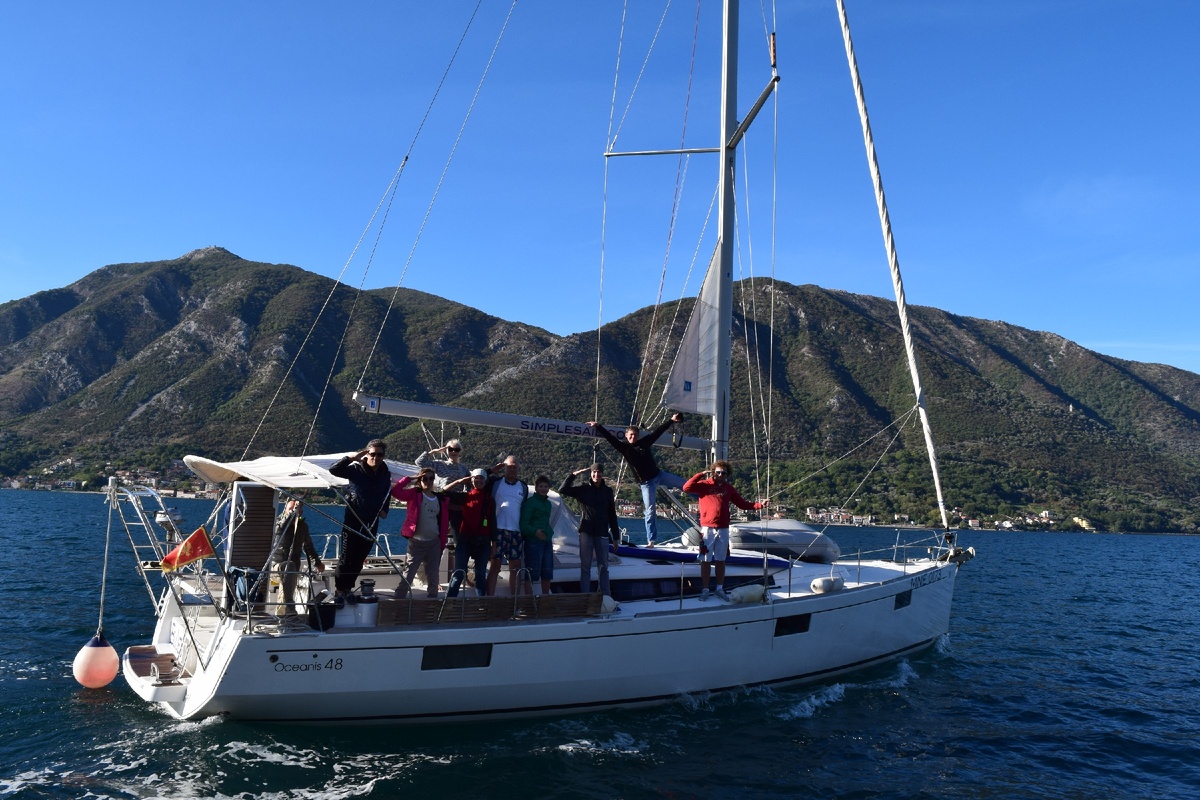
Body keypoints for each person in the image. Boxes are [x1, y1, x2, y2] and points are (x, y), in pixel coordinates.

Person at [587, 411, 683, 547]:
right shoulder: (624, 448)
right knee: (650, 511)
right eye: (630, 435)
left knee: (686, 485)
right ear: (626, 436)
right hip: (646, 483)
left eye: (635, 435)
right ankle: (651, 540)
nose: (633, 437)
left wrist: (671, 421)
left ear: (638, 436)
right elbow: (610, 438)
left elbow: (658, 432)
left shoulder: (645, 442)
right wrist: (598, 426)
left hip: (659, 475)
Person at [682, 461, 767, 601]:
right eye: (718, 472)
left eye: (724, 473)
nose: (720, 475)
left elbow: (742, 503)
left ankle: (719, 589)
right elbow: (686, 487)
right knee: (705, 559)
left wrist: (759, 505)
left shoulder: (729, 488)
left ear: (727, 475)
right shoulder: (704, 485)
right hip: (707, 529)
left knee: (721, 560)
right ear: (713, 472)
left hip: (723, 529)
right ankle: (705, 589)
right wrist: (701, 474)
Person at [329, 439, 392, 597]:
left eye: (379, 454)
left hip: (371, 522)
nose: (375, 457)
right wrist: (351, 458)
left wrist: (384, 509)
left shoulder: (385, 474)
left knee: (360, 558)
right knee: (346, 557)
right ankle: (339, 590)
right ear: (366, 454)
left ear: (384, 456)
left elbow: (387, 492)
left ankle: (348, 588)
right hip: (353, 519)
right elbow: (334, 470)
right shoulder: (355, 469)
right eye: (372, 454)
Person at [559, 463, 621, 598]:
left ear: (602, 474)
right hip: (586, 532)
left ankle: (606, 597)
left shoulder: (608, 492)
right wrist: (574, 474)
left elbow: (612, 515)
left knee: (603, 568)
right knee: (585, 567)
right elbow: (562, 489)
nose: (596, 475)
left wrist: (616, 537)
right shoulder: (583, 489)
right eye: (594, 472)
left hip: (603, 533)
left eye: (599, 472)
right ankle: (584, 598)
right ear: (590, 474)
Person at [390, 468, 452, 599]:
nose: (428, 481)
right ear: (420, 480)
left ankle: (432, 604)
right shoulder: (414, 494)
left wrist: (442, 542)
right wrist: (409, 479)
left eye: (431, 478)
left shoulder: (439, 498)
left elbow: (443, 521)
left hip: (434, 542)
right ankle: (398, 601)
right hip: (416, 543)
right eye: (424, 478)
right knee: (409, 574)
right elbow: (395, 491)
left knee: (433, 576)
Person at [271, 498, 325, 614]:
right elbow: (281, 527)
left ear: (301, 512)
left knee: (286, 590)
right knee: (288, 568)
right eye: (290, 509)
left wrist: (317, 562)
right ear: (285, 510)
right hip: (276, 567)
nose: (294, 511)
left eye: (296, 509)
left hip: (292, 569)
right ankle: (287, 613)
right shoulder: (277, 524)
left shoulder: (302, 527)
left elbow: (308, 546)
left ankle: (284, 616)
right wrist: (291, 513)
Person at [447, 468, 492, 598]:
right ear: (471, 481)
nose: (479, 480)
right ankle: (449, 604)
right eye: (476, 478)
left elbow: (492, 523)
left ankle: (481, 606)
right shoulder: (464, 496)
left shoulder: (489, 499)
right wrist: (459, 481)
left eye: (481, 478)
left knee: (480, 574)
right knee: (458, 573)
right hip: (465, 540)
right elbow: (444, 491)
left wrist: (493, 543)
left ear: (485, 481)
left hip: (483, 541)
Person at [486, 456, 527, 596]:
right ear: (504, 467)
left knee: (515, 567)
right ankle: (489, 600)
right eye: (509, 466)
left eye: (515, 466)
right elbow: (480, 477)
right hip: (498, 531)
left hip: (516, 531)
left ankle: (514, 602)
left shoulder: (523, 486)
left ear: (518, 468)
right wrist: (493, 469)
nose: (512, 469)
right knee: (495, 566)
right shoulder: (495, 482)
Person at [519, 475, 559, 596]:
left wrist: (549, 533)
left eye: (545, 486)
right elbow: (523, 524)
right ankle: (528, 601)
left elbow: (547, 523)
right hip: (533, 541)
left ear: (549, 488)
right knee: (532, 572)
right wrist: (535, 531)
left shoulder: (548, 504)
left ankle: (545, 599)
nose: (543, 488)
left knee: (547, 571)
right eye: (540, 486)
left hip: (546, 541)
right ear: (536, 488)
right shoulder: (530, 503)